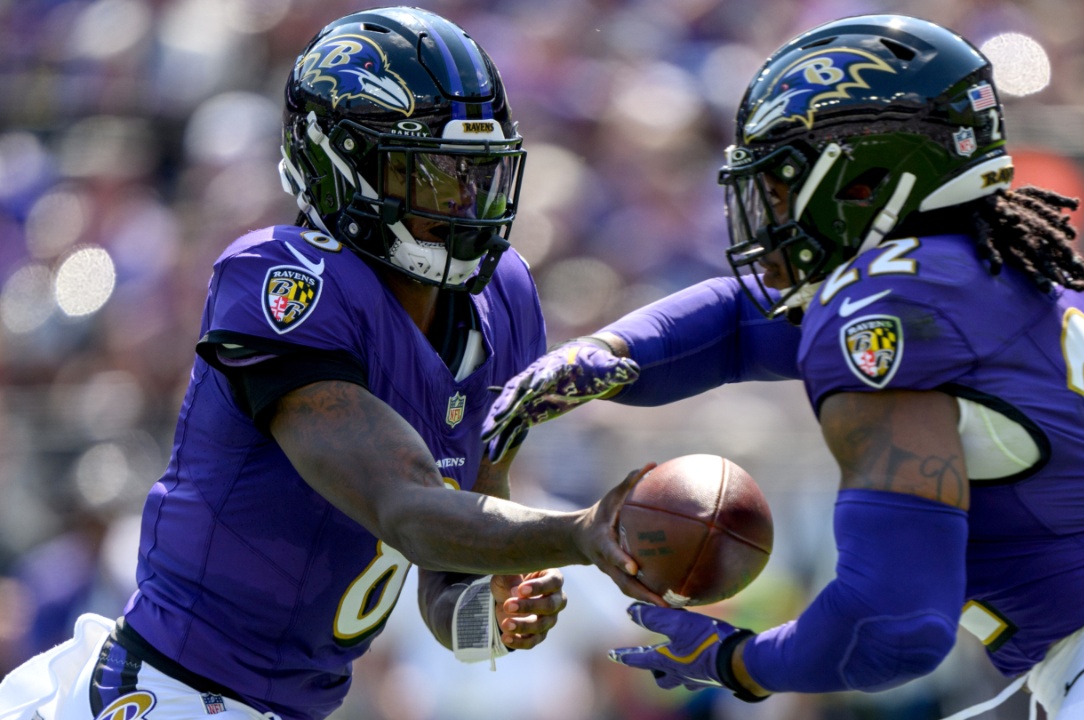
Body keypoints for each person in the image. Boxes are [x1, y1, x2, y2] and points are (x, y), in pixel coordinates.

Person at [482, 14, 1084, 719]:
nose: (770, 208)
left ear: (864, 175)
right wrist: (602, 358)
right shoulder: (971, 272)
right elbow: (737, 322)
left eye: (783, 178)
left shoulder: (888, 298)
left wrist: (737, 661)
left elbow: (895, 625)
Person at [0, 7, 663, 720]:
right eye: (434, 174)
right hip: (172, 693)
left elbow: (450, 568)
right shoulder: (283, 280)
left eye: (478, 171)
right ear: (340, 165)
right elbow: (405, 506)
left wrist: (490, 611)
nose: (466, 200)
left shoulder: (502, 297)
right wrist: (575, 534)